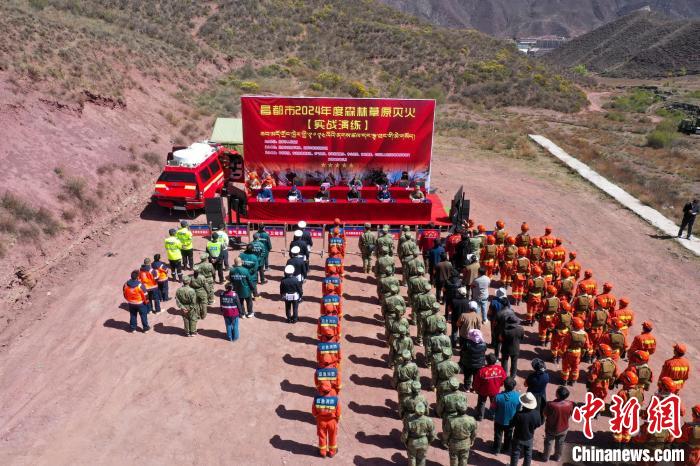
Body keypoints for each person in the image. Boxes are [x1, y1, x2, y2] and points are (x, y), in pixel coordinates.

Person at [541, 386, 574, 462]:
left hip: (551, 428)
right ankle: (557, 457)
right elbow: (571, 414)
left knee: (549, 443)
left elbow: (545, 414)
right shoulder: (570, 404)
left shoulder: (550, 404)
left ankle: (545, 457)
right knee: (560, 443)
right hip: (564, 428)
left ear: (558, 395)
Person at [510, 392, 541, 466]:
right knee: (528, 454)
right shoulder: (537, 414)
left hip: (518, 437)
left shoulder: (518, 414)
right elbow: (538, 424)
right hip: (529, 437)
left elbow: (512, 424)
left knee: (515, 453)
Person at [473, 353, 507, 421]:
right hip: (495, 390)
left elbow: (476, 382)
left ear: (487, 361)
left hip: (483, 391)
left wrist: (476, 389)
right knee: (494, 403)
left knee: (481, 402)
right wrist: (499, 385)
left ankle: (480, 416)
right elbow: (504, 379)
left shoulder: (482, 371)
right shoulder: (500, 369)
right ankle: (493, 416)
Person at [401, 401, 436, 466]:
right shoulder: (429, 420)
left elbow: (405, 434)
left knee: (412, 457)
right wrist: (429, 441)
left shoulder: (409, 419)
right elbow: (433, 435)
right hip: (424, 441)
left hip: (412, 442)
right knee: (422, 458)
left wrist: (404, 441)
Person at [443, 400, 478, 466]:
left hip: (454, 443)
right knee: (464, 459)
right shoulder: (472, 420)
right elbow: (474, 433)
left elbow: (446, 433)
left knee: (453, 459)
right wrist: (472, 440)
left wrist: (445, 441)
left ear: (456, 409)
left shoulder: (451, 420)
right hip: (466, 443)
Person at [312, 382, 341, 458]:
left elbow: (314, 412)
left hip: (321, 421)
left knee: (322, 436)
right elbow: (338, 413)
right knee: (332, 436)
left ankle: (322, 452)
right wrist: (337, 420)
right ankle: (332, 452)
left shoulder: (316, 399)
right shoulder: (335, 399)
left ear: (321, 389)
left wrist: (318, 417)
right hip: (332, 422)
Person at [493, 377, 521, 455]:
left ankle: (496, 449)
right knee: (508, 435)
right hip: (511, 421)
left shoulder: (498, 396)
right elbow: (518, 408)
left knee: (498, 435)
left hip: (499, 420)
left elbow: (493, 408)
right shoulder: (518, 396)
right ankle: (506, 448)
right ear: (514, 386)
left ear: (504, 386)